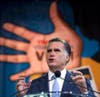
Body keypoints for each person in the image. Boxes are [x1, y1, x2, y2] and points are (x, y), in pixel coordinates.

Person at [16, 37, 95, 97]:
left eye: (57, 50)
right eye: (49, 51)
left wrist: (84, 92)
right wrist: (22, 95)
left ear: (67, 57)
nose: (51, 54)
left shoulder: (81, 82)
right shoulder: (34, 84)